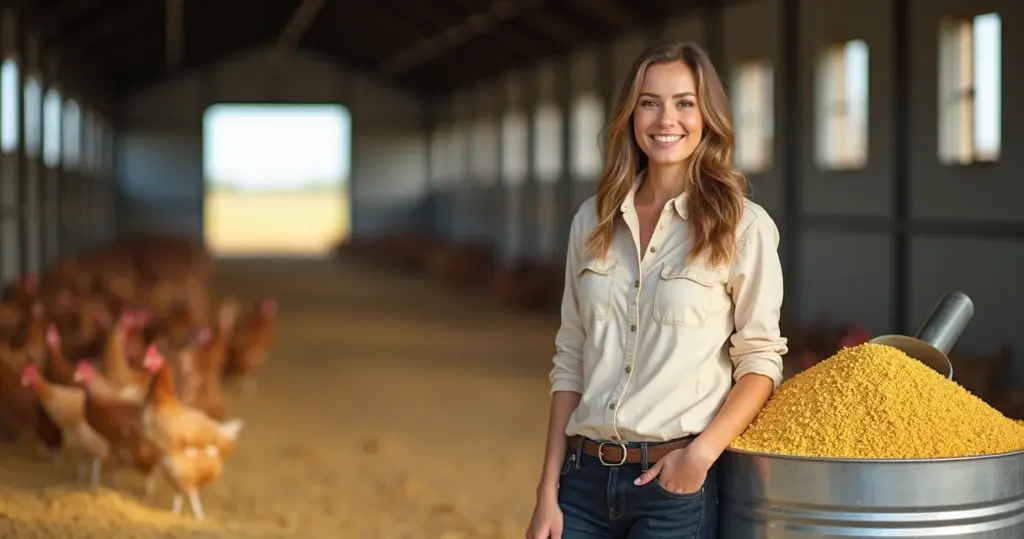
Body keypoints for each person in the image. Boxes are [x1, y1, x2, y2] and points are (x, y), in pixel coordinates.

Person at [525, 40, 787, 539]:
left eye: (685, 102)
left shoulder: (743, 227)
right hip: (581, 483)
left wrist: (701, 456)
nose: (666, 118)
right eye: (650, 102)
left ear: (707, 115)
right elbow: (571, 357)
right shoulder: (593, 221)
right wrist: (547, 491)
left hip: (672, 486)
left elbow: (760, 360)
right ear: (631, 113)